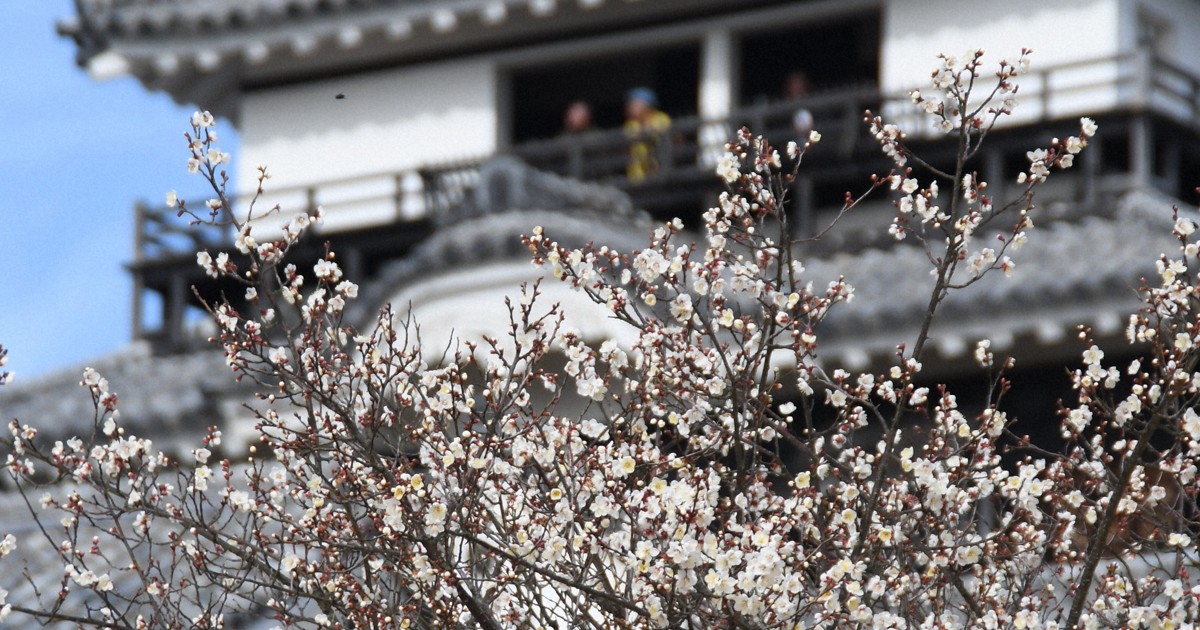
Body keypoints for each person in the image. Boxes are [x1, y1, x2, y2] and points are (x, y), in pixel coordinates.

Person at [623, 87, 671, 182]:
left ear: (646, 106)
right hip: (637, 178)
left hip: (658, 174)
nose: (629, 107)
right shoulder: (630, 125)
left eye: (634, 104)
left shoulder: (661, 118)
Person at [785, 70, 814, 138]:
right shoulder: (784, 109)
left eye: (799, 83)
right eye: (794, 84)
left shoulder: (813, 104)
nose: (797, 87)